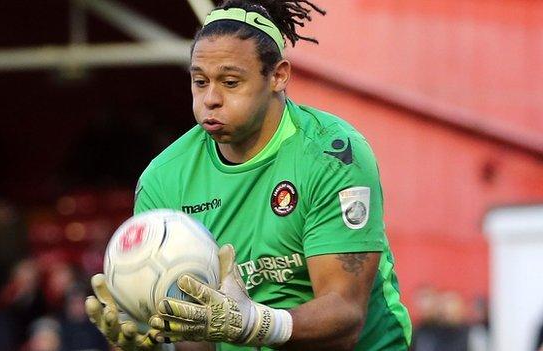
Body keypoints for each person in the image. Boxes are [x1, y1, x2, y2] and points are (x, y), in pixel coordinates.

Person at [86, 1, 411, 350]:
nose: (210, 99)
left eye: (230, 82)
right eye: (199, 81)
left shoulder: (333, 154)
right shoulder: (163, 179)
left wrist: (255, 323)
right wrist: (146, 345)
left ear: (278, 76)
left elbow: (345, 318)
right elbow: (195, 338)